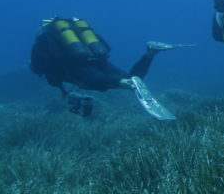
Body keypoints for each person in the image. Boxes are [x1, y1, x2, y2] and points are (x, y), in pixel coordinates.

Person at [29, 16, 187, 118]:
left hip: (76, 66)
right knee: (132, 78)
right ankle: (150, 53)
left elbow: (39, 67)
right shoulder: (79, 31)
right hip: (99, 58)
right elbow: (104, 45)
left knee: (96, 82)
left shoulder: (44, 41)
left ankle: (125, 83)